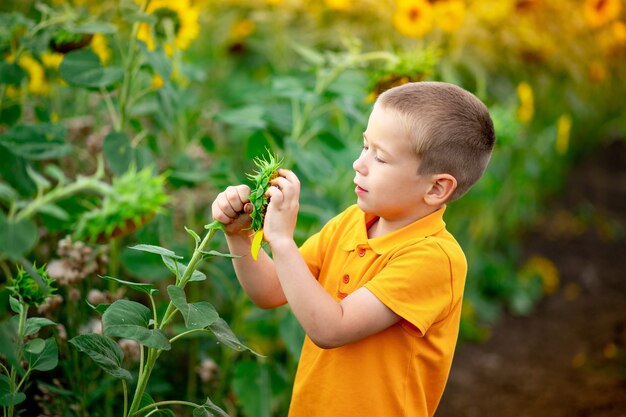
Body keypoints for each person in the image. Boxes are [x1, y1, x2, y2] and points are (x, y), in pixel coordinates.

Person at [211, 81, 496, 417]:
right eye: (364, 146)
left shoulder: (434, 258)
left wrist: (283, 242)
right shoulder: (352, 222)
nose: (359, 164)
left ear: (436, 187)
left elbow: (331, 329)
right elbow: (270, 291)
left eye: (381, 157)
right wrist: (240, 237)